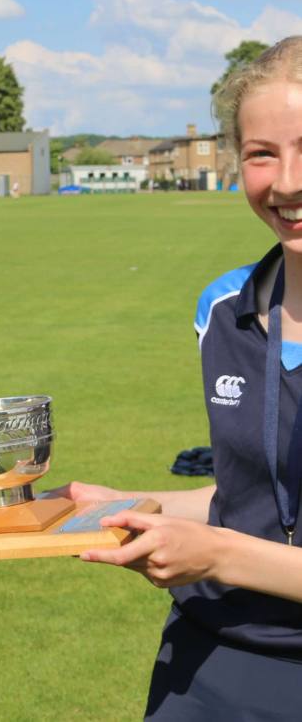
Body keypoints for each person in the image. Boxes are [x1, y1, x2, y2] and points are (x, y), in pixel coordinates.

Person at [59, 36, 302, 720]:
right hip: (205, 662)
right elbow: (258, 495)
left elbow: (231, 540)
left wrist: (217, 554)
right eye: (262, 153)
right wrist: (134, 504)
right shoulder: (224, 311)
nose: (286, 182)